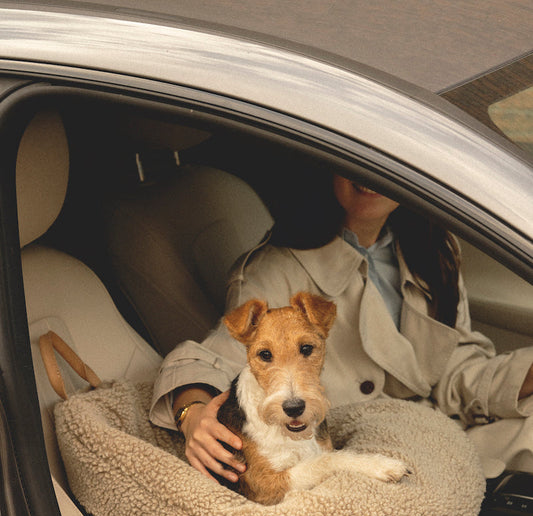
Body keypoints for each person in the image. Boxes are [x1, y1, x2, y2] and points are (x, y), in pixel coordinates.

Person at [150, 169, 533, 484]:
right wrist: (192, 414)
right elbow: (217, 360)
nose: (369, 173)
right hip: (355, 452)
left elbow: (454, 369)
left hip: (441, 427)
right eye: (355, 159)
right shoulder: (274, 272)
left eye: (384, 157)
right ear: (324, 161)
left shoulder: (435, 251)